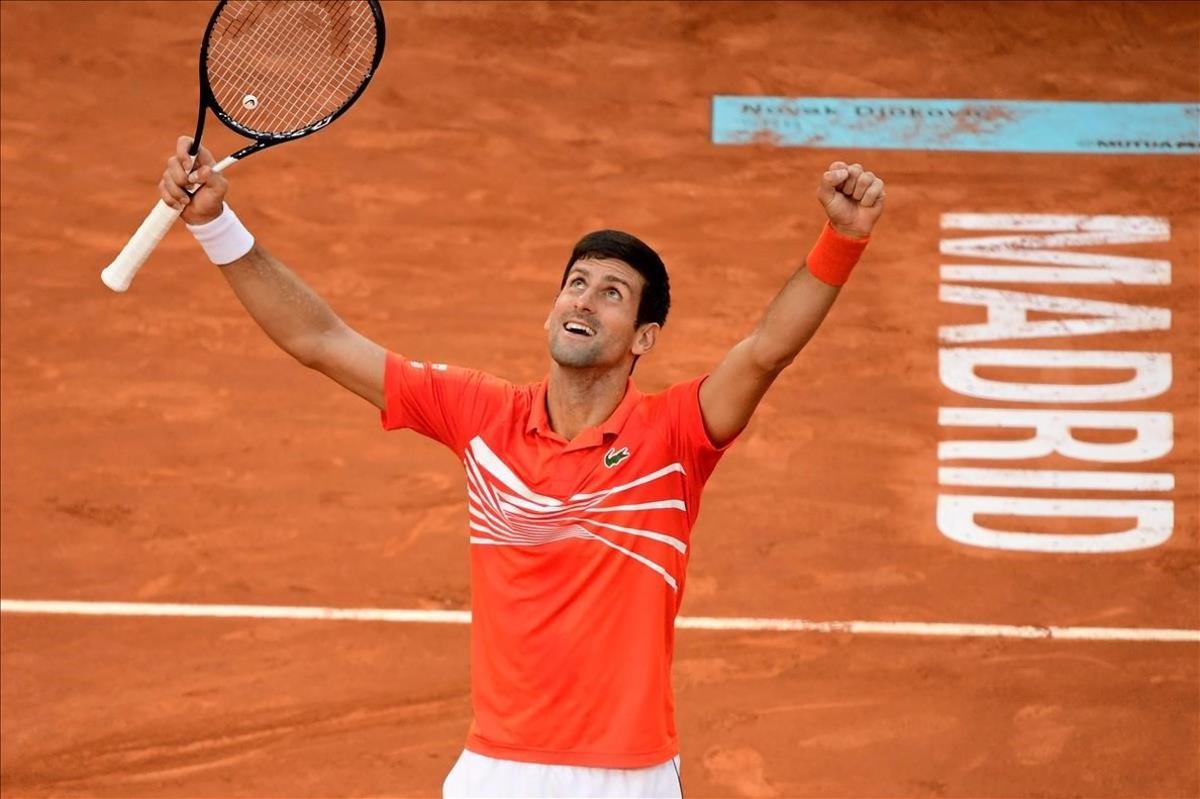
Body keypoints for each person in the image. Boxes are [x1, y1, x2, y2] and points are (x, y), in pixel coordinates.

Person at [158, 135, 885, 798]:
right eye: (577, 282)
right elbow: (319, 338)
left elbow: (765, 350)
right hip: (495, 770)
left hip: (626, 776)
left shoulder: (674, 437)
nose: (585, 300)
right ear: (550, 312)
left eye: (612, 293)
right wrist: (216, 225)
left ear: (644, 337)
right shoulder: (481, 416)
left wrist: (841, 241)